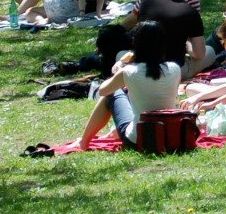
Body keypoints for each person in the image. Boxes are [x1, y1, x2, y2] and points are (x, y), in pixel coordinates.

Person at [76, 21, 181, 149]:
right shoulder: (175, 68)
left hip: (138, 139)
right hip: (169, 135)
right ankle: (112, 132)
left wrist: (117, 71)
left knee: (113, 93)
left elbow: (103, 91)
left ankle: (84, 141)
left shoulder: (129, 71)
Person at [119, 0, 210, 76]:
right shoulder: (190, 12)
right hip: (173, 70)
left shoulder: (147, 3)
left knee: (121, 54)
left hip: (142, 66)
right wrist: (185, 43)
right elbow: (199, 54)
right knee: (210, 51)